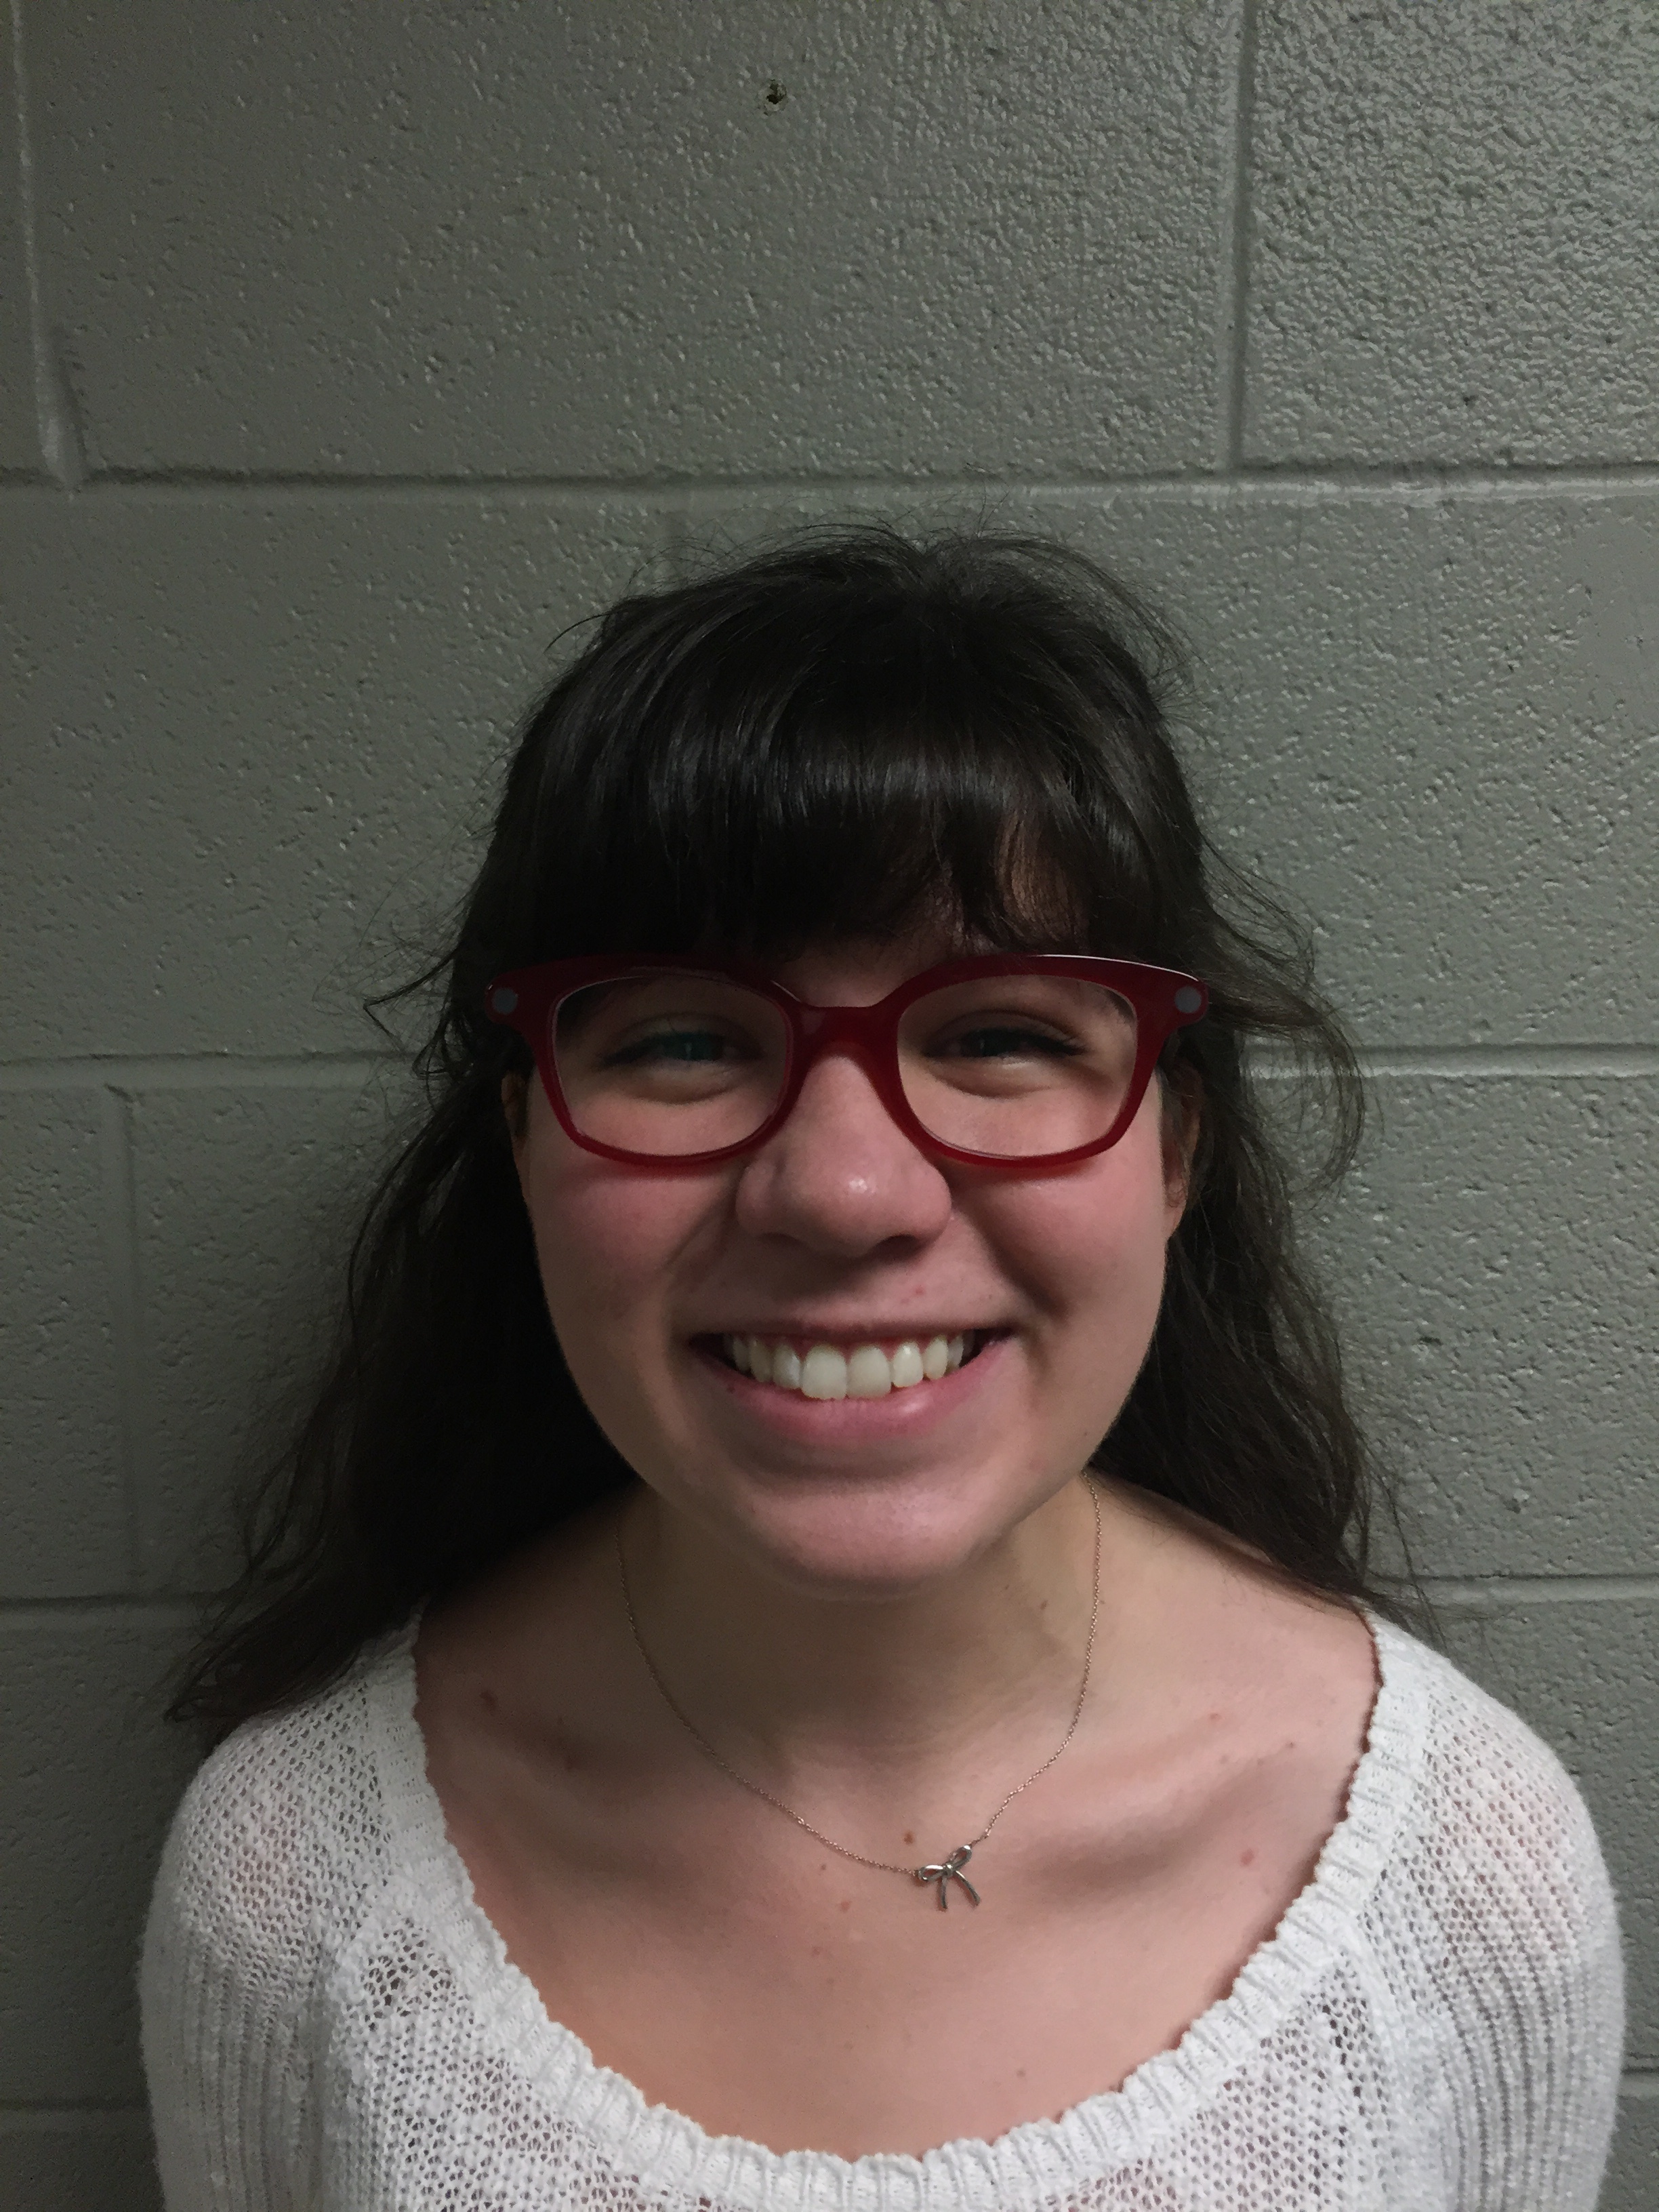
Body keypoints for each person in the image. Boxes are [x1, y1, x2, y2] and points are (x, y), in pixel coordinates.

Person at [140, 527, 1622, 2211]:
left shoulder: (1455, 1884)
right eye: (684, 1040)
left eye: (1000, 1035)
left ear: (1177, 1150)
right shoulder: (295, 1893)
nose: (845, 1192)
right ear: (527, 1139)